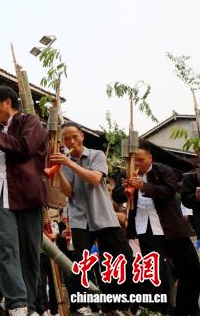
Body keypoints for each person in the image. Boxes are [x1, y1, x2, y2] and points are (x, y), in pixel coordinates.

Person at [0, 85, 48, 316]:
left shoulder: (31, 122)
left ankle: (31, 305)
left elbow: (26, 148)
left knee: (30, 251)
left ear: (7, 102)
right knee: (6, 249)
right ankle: (16, 304)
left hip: (27, 193)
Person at [49, 122, 133, 315]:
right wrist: (59, 169)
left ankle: (117, 303)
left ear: (82, 136)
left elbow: (95, 179)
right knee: (81, 264)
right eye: (66, 139)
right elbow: (68, 192)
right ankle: (81, 306)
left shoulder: (97, 155)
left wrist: (69, 163)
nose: (71, 141)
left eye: (74, 137)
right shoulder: (66, 162)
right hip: (80, 219)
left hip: (103, 216)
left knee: (123, 258)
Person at [113, 138, 200, 316]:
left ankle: (186, 309)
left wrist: (143, 186)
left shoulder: (164, 170)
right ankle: (160, 309)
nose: (137, 163)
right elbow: (117, 196)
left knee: (191, 268)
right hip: (145, 230)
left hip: (171, 227)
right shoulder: (125, 173)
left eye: (140, 159)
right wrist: (125, 189)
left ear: (150, 157)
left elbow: (169, 190)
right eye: (133, 160)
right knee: (157, 272)